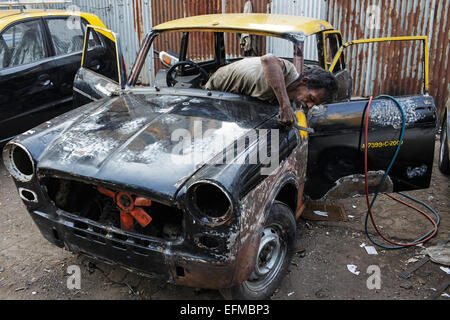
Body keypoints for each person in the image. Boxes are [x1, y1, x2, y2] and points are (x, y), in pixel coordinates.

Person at [205, 53, 338, 126]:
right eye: (311, 99)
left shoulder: (294, 96)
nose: (309, 105)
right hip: (212, 94)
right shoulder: (288, 71)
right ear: (304, 81)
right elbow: (268, 59)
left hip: (234, 103)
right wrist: (285, 105)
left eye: (314, 104)